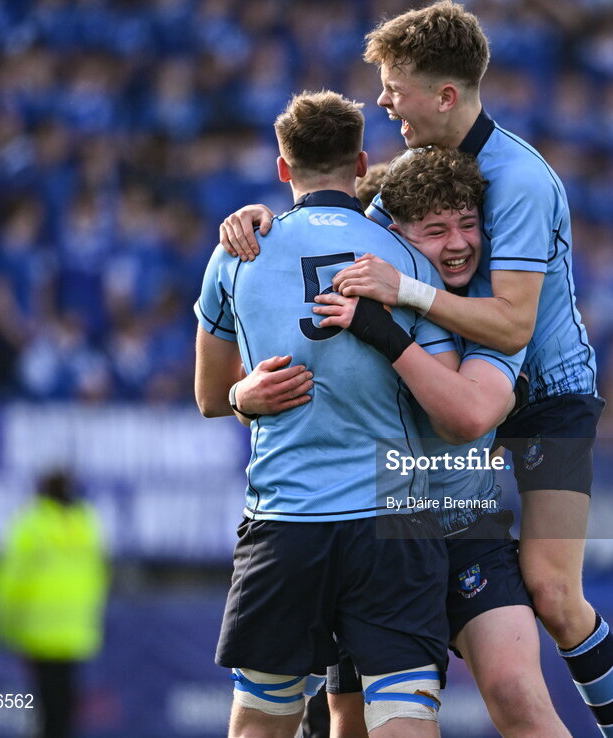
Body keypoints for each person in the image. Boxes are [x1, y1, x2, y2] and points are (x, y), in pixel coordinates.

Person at [217, 4, 613, 735]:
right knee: (350, 695)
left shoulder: (521, 178)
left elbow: (511, 323)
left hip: (543, 395)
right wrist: (262, 218)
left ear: (444, 96)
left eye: (394, 86)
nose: (383, 100)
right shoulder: (406, 177)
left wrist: (403, 294)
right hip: (425, 432)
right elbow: (333, 220)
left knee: (553, 591)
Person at [193, 90, 518, 738]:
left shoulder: (238, 253)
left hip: (286, 519)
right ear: (361, 162)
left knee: (262, 721)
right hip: (393, 518)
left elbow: (209, 396)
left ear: (283, 169)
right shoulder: (401, 258)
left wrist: (240, 399)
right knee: (400, 714)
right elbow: (448, 394)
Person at [243, 146, 569, 736]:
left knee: (518, 695)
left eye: (469, 224)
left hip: (464, 526)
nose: (459, 244)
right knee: (351, 723)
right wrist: (245, 394)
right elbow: (280, 387)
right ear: (391, 240)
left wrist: (387, 331)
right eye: (436, 230)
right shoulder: (351, 294)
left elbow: (467, 417)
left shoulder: (491, 314)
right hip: (374, 530)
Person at [0, 470, 108, 738]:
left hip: (37, 631)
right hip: (76, 631)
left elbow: (9, 578)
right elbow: (98, 577)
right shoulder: (85, 524)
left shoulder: (31, 524)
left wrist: (2, 622)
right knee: (65, 703)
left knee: (44, 704)